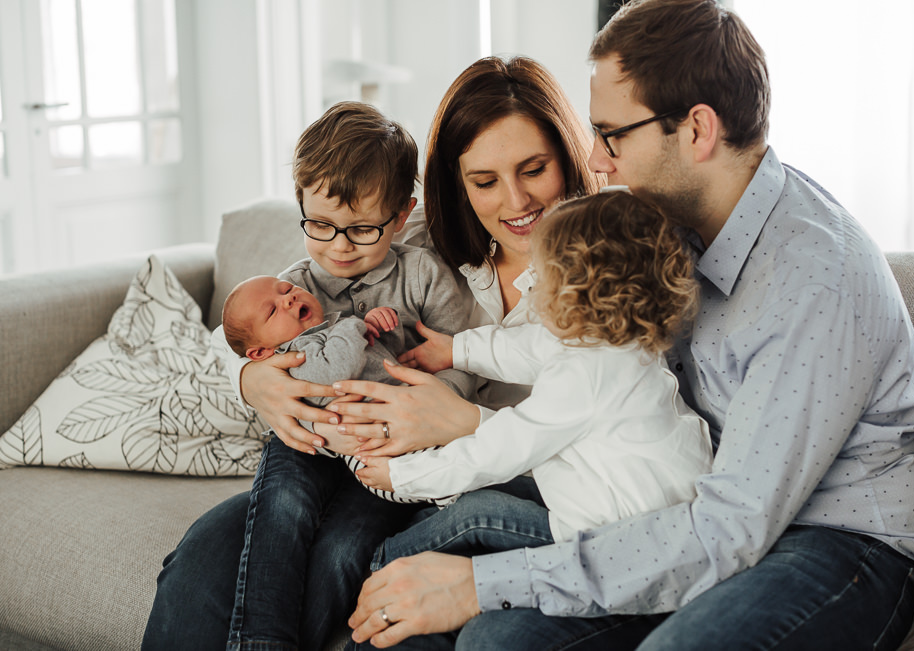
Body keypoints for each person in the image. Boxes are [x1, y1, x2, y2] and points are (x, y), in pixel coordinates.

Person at [334, 2, 914, 649]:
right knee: (497, 638)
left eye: (612, 134)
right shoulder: (654, 226)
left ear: (698, 130)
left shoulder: (811, 277)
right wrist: (263, 369)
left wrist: (482, 581)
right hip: (677, 506)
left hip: (835, 540)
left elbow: (726, 530)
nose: (595, 160)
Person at [142, 57, 599, 650]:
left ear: (568, 155)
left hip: (465, 478)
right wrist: (253, 377)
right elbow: (254, 315)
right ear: (456, 183)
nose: (514, 200)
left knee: (344, 553)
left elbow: (605, 420)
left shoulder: (607, 267)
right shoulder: (410, 243)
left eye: (534, 169)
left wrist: (455, 418)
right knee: (203, 556)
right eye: (484, 181)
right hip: (343, 451)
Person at [357, 190, 712, 570]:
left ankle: (378, 566)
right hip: (649, 511)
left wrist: (403, 476)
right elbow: (530, 347)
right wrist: (457, 350)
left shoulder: (584, 376)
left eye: (540, 276)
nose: (530, 284)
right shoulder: (618, 343)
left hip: (614, 542)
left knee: (476, 512)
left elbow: (499, 448)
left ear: (572, 294)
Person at [221, 274, 453, 505]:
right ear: (261, 353)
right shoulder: (298, 355)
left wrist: (381, 329)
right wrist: (355, 325)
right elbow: (337, 370)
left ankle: (451, 493)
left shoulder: (332, 329)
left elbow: (387, 359)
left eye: (287, 289)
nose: (289, 299)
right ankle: (449, 496)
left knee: (451, 461)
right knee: (433, 475)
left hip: (407, 417)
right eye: (271, 312)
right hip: (375, 448)